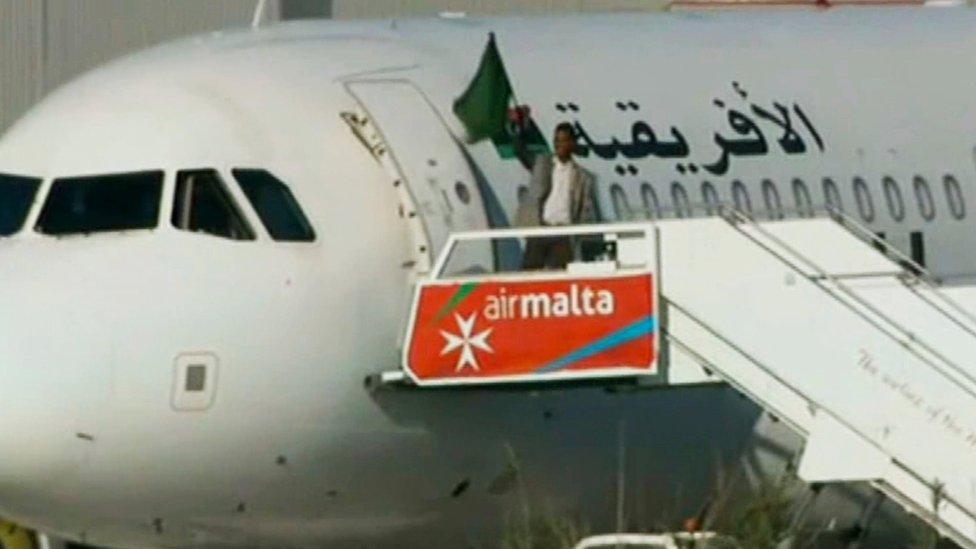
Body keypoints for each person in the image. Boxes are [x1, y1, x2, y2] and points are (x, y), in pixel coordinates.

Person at [516, 122, 598, 269]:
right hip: (541, 229)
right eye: (556, 141)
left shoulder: (583, 177)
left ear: (572, 143)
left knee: (559, 275)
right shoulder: (543, 164)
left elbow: (585, 211)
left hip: (563, 233)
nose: (558, 145)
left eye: (563, 140)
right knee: (530, 273)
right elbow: (522, 153)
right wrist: (521, 127)